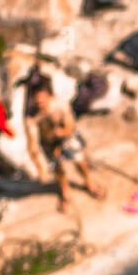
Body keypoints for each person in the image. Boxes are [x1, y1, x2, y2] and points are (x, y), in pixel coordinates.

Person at [24, 72, 106, 213]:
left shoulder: (60, 104)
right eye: (38, 103)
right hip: (48, 142)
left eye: (43, 102)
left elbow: (70, 125)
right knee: (58, 168)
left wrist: (61, 134)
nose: (41, 106)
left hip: (66, 137)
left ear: (49, 96)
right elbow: (32, 145)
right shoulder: (32, 117)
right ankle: (65, 190)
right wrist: (40, 168)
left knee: (80, 161)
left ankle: (89, 182)